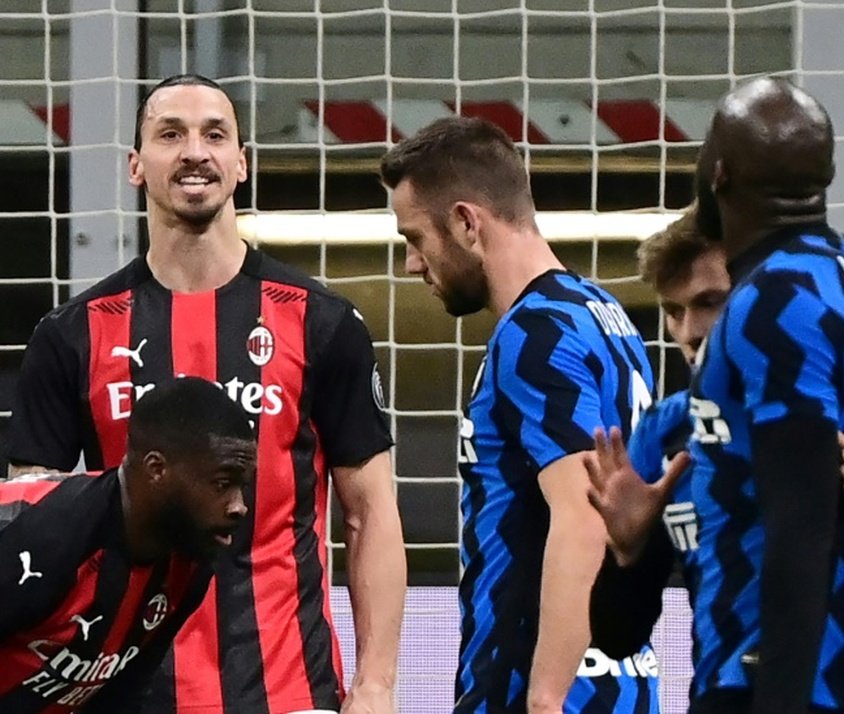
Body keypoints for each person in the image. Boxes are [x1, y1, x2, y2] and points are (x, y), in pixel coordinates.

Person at [6, 74, 405, 714]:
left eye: (215, 134)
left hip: (289, 692)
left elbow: (370, 515)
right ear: (137, 166)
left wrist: (376, 685)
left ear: (241, 163)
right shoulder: (70, 335)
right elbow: (31, 534)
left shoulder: (322, 322)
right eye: (171, 134)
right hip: (129, 697)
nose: (195, 151)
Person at [595, 77, 844, 714]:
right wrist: (628, 549)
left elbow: (801, 539)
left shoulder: (782, 303)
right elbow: (615, 636)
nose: (692, 330)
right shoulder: (668, 433)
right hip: (758, 682)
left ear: (718, 175)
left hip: (803, 688)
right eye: (672, 311)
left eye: (709, 304)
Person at [380, 116, 658, 713]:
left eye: (415, 238)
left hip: (550, 690)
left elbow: (584, 515)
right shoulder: (605, 314)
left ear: (464, 222)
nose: (411, 263)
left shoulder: (532, 336)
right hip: (624, 680)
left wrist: (545, 699)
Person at [0, 376, 255, 713]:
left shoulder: (189, 563)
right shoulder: (39, 536)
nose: (240, 506)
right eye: (223, 483)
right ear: (156, 469)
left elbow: (121, 696)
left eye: (242, 486)